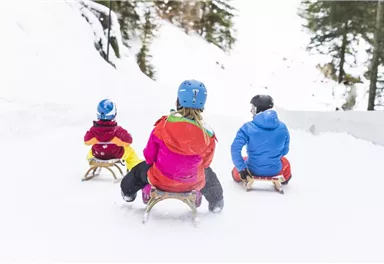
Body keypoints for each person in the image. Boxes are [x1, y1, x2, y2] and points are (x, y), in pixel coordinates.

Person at [120, 80, 224, 213]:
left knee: (139, 170)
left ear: (178, 101)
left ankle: (127, 192)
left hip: (161, 179)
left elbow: (149, 156)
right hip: (192, 181)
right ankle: (216, 202)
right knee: (209, 175)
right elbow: (206, 163)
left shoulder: (163, 126)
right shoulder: (207, 134)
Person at [230, 95, 292, 184]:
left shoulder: (247, 127)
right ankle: (284, 179)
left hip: (252, 170)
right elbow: (285, 151)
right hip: (275, 170)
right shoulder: (283, 127)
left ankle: (242, 174)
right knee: (285, 162)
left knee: (238, 166)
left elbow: (235, 149)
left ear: (257, 109)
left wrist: (242, 169)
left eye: (252, 108)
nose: (250, 110)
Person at [84, 99, 142, 171]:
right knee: (130, 151)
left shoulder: (93, 130)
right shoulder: (117, 131)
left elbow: (86, 141)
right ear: (114, 114)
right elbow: (128, 141)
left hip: (98, 154)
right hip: (115, 154)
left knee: (91, 150)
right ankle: (135, 168)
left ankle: (92, 165)